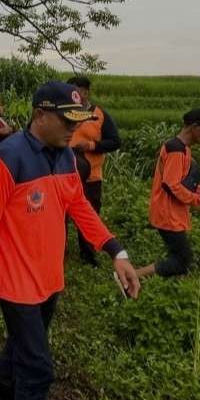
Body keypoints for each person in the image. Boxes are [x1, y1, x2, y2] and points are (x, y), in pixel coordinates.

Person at [0, 81, 141, 400]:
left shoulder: (65, 156)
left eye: (77, 122)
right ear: (40, 115)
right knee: (38, 369)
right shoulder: (7, 158)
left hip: (50, 279)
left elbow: (79, 206)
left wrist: (116, 251)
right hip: (17, 286)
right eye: (67, 122)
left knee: (20, 349)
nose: (73, 130)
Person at [136, 108, 200, 279]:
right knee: (181, 261)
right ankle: (131, 276)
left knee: (179, 259)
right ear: (194, 126)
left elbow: (185, 183)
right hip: (168, 214)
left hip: (171, 213)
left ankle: (159, 284)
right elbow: (172, 186)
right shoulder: (176, 150)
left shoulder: (182, 149)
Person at [65, 75, 122, 266]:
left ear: (85, 92)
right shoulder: (65, 113)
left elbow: (115, 141)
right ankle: (58, 250)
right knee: (61, 214)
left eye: (75, 91)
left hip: (91, 176)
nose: (72, 95)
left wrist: (90, 145)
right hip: (64, 175)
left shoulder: (100, 115)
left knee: (89, 214)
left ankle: (88, 255)